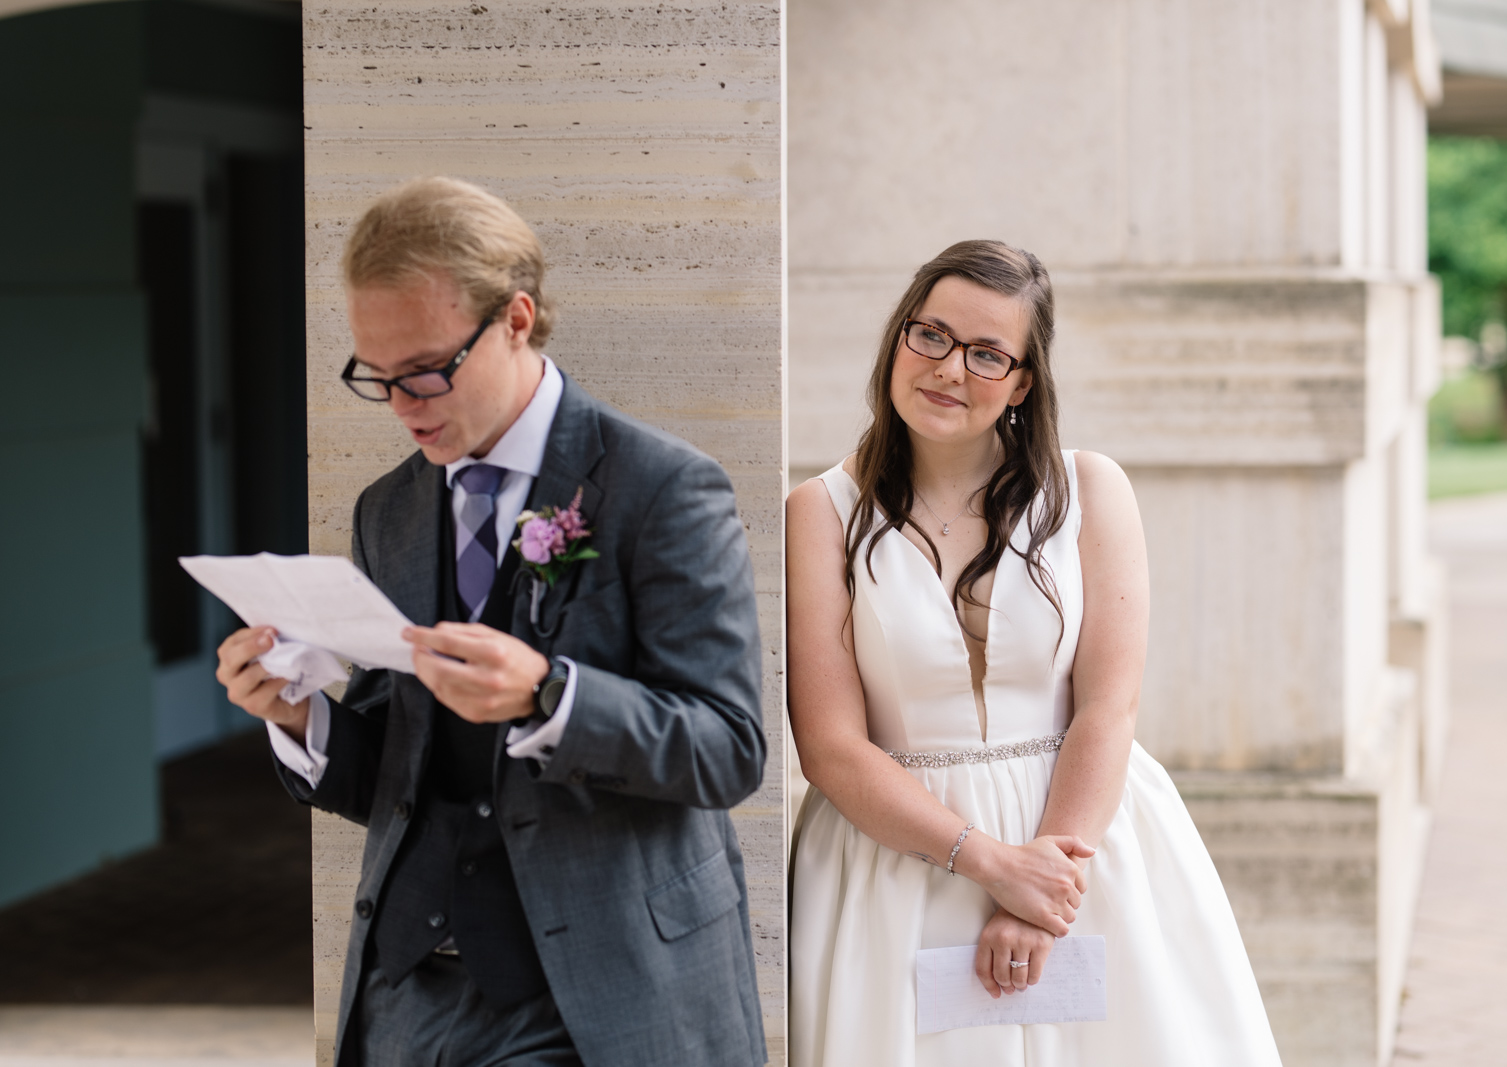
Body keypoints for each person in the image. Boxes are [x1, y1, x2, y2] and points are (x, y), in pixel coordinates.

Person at [214, 177, 767, 1067]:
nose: (404, 405)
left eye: (428, 369)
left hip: (597, 993)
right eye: (378, 377)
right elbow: (402, 773)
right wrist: (299, 718)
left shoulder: (662, 487)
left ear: (516, 317)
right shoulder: (387, 510)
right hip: (410, 998)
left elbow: (729, 747)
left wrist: (548, 698)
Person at [786, 240, 1281, 1065]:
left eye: (987, 353)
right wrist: (990, 865)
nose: (949, 368)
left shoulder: (1090, 490)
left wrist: (1042, 889)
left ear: (1021, 382)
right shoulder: (821, 511)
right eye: (931, 335)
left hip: (1086, 845)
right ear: (898, 339)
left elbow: (1108, 705)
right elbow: (831, 746)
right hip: (900, 863)